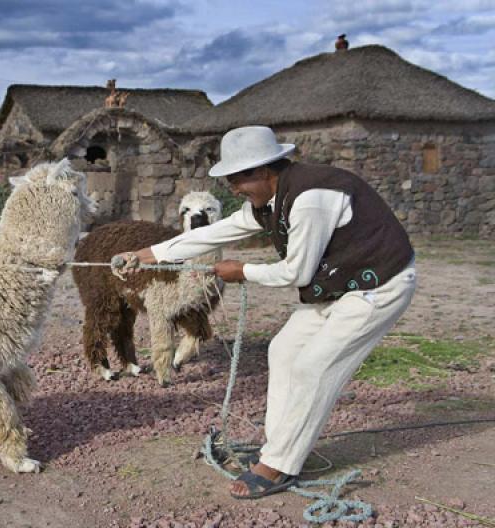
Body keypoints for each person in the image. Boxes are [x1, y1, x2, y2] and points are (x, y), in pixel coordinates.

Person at [114, 126, 416, 499]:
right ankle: (278, 448)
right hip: (337, 286)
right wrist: (145, 256)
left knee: (315, 367)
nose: (234, 190)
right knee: (283, 351)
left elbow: (296, 272)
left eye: (237, 181)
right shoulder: (270, 201)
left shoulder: (310, 198)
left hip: (378, 287)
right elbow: (215, 233)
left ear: (262, 171)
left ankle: (279, 466)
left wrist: (241, 272)